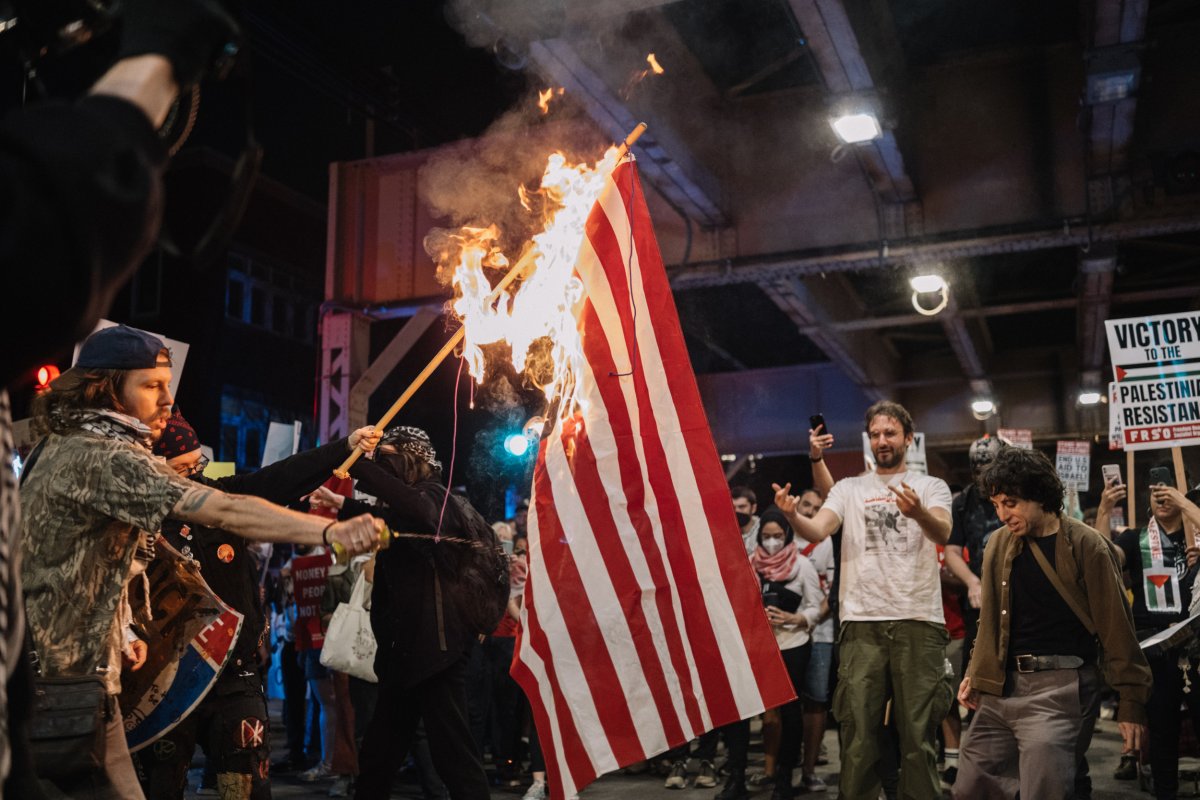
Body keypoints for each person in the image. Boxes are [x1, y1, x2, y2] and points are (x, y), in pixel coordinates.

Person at [19, 325, 381, 798]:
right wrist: (330, 531)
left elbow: (81, 565)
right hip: (62, 684)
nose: (167, 399)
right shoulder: (101, 456)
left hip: (79, 683)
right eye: (151, 385)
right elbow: (224, 507)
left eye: (165, 384)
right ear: (106, 387)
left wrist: (124, 629)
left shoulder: (62, 444)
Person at [134, 411, 380, 800]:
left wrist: (344, 446)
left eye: (198, 464)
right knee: (161, 785)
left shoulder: (222, 498)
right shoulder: (136, 519)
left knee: (247, 786)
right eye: (181, 469)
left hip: (235, 675)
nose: (194, 477)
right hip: (167, 681)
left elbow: (279, 478)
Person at [774, 400, 953, 800]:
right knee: (858, 738)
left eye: (890, 433)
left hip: (918, 620)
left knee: (918, 737)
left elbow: (941, 532)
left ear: (909, 437)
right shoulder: (848, 489)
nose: (882, 440)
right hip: (861, 624)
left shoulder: (930, 486)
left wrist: (919, 513)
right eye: (875, 434)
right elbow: (818, 529)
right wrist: (791, 516)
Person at [316, 425, 503, 800]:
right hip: (406, 654)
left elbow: (419, 511)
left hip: (435, 654)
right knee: (379, 758)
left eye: (387, 458)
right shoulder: (412, 505)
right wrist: (344, 506)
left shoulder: (436, 495)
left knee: (455, 758)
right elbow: (397, 522)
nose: (381, 468)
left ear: (411, 457)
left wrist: (356, 466)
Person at [954, 447, 1151, 800]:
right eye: (997, 504)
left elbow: (1117, 627)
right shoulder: (999, 543)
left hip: (1060, 689)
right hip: (1001, 688)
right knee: (970, 787)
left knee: (1043, 791)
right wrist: (976, 671)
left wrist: (1131, 702)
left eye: (1011, 502)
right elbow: (992, 619)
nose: (1002, 514)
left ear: (1038, 493)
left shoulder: (1087, 545)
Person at [1113, 476, 1200, 800]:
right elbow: (1104, 556)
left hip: (1195, 648)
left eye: (1168, 491)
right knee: (1162, 732)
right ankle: (1165, 793)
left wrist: (1184, 503)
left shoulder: (1196, 535)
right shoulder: (1136, 538)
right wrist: (1107, 507)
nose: (1162, 497)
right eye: (1154, 492)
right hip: (1155, 647)